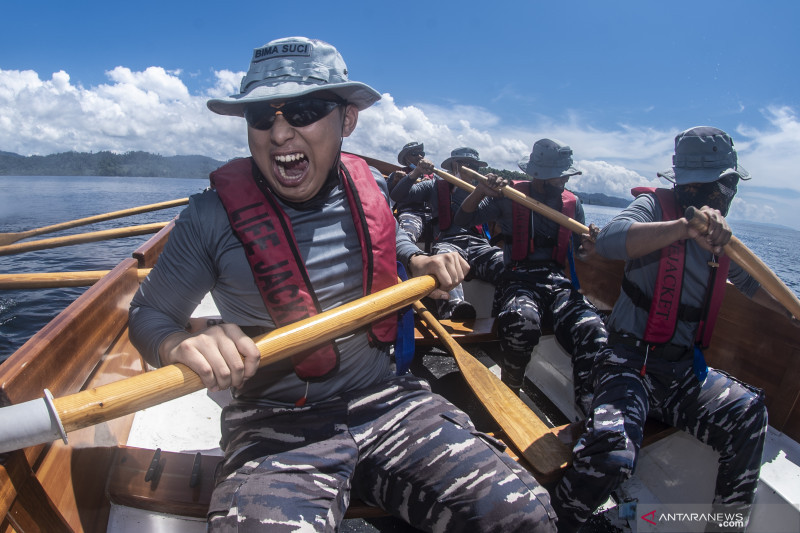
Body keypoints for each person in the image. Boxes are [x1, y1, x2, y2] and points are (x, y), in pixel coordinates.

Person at [129, 36, 556, 532]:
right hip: (276, 423)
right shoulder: (209, 216)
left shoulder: (369, 186)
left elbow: (387, 242)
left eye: (305, 111)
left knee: (525, 518)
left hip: (389, 400)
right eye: (262, 117)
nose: (280, 134)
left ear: (346, 120)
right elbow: (148, 316)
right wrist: (179, 343)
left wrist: (418, 262)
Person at [550, 126, 790, 532]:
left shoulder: (721, 238)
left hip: (682, 373)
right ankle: (554, 522)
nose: (726, 195)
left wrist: (793, 312)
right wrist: (684, 227)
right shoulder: (653, 208)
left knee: (749, 413)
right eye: (721, 185)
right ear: (695, 187)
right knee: (611, 455)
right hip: (627, 364)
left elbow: (755, 287)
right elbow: (610, 240)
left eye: (729, 185)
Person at [454, 138, 607, 411]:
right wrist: (482, 190)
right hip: (519, 278)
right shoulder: (509, 198)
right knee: (520, 320)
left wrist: (592, 247)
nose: (563, 181)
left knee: (592, 328)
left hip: (557, 283)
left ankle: (588, 408)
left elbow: (579, 254)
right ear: (539, 177)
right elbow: (463, 220)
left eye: (564, 176)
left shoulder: (574, 204)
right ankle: (511, 387)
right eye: (558, 176)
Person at [390, 147, 505, 320]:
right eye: (465, 163)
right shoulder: (436, 184)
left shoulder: (484, 188)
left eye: (475, 165)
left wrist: (502, 192)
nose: (471, 168)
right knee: (444, 259)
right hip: (448, 241)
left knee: (508, 264)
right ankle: (454, 308)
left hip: (479, 244)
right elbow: (398, 195)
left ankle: (504, 315)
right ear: (454, 165)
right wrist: (416, 173)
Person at [386, 141, 435, 244]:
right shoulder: (396, 175)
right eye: (414, 154)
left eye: (421, 153)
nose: (420, 156)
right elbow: (387, 197)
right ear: (406, 159)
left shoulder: (433, 176)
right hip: (410, 213)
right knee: (407, 235)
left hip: (433, 216)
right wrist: (395, 182)